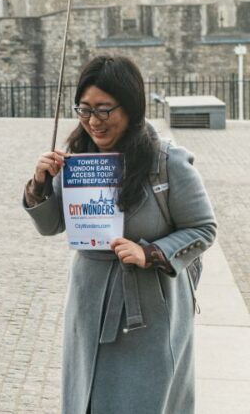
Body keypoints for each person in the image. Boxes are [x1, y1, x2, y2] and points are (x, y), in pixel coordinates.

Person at [23, 56, 216, 414]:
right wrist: (39, 184)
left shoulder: (167, 162)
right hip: (88, 304)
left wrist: (151, 252)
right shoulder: (77, 160)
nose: (93, 121)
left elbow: (204, 228)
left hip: (149, 312)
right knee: (88, 399)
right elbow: (50, 226)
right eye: (84, 109)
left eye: (104, 109)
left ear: (130, 107)